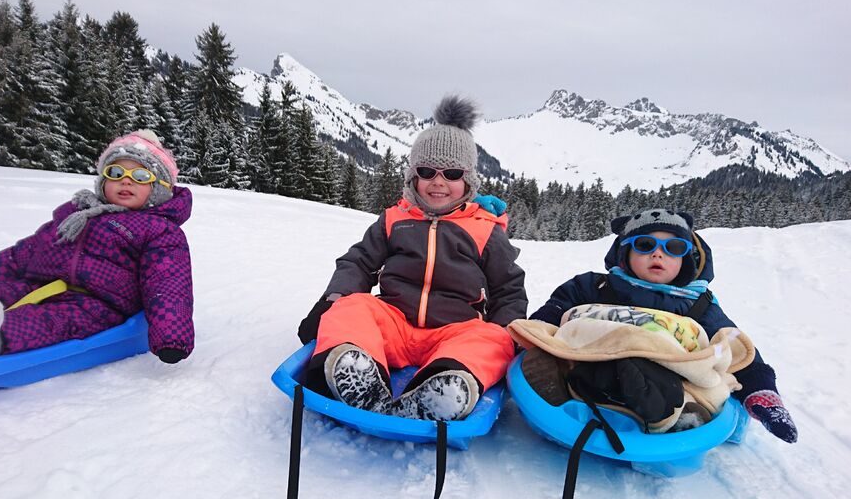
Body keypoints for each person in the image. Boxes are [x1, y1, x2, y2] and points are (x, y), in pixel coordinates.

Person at [298, 96, 527, 421]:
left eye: (452, 173)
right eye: (427, 170)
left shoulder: (484, 229)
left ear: (468, 181)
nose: (438, 181)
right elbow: (359, 262)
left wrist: (507, 328)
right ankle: (357, 372)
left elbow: (508, 287)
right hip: (394, 322)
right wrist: (332, 300)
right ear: (413, 176)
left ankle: (444, 387)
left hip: (455, 329)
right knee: (352, 307)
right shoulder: (395, 220)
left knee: (492, 338)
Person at [0, 130, 194, 364]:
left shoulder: (158, 230)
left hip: (96, 304)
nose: (126, 181)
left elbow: (169, 284)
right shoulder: (77, 213)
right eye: (116, 172)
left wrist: (171, 337)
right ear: (103, 180)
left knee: (49, 322)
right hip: (38, 284)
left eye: (140, 176)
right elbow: (31, 249)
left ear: (158, 189)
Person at [527, 208, 798, 442]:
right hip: (594, 359)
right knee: (559, 349)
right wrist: (533, 337)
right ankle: (555, 387)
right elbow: (555, 311)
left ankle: (679, 415)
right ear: (625, 253)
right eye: (645, 245)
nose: (658, 255)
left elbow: (733, 346)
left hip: (666, 376)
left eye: (674, 248)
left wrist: (761, 390)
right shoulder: (595, 286)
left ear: (686, 260)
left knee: (705, 377)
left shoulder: (697, 304)